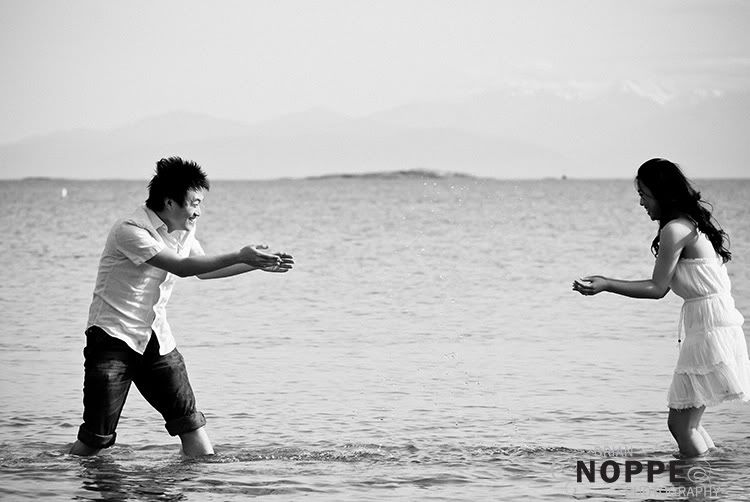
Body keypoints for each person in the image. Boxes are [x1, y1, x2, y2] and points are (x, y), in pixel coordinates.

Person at [69, 157, 294, 457]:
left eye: (201, 203)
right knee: (95, 441)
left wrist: (254, 265)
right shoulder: (130, 230)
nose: (198, 211)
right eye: (194, 203)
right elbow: (183, 267)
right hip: (112, 339)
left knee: (192, 427)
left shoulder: (184, 230)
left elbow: (203, 270)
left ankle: (197, 488)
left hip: (156, 341)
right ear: (170, 202)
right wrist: (241, 255)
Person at [573, 158, 750, 457]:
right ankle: (712, 478)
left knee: (681, 425)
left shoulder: (674, 229)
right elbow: (664, 285)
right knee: (687, 423)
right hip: (712, 323)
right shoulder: (688, 224)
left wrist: (606, 283)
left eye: (644, 194)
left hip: (709, 327)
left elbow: (657, 289)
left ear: (662, 193)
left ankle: (699, 486)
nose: (641, 203)